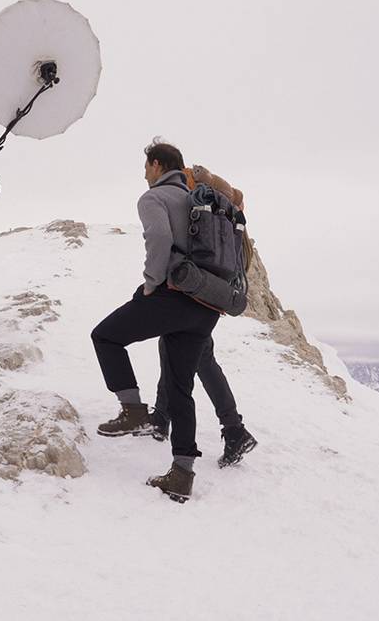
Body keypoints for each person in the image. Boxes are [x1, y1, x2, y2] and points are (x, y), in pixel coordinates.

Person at [91, 140, 221, 503]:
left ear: (157, 164)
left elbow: (160, 238)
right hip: (207, 305)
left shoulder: (154, 198)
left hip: (174, 295)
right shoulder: (198, 199)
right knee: (181, 389)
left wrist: (151, 284)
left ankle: (132, 411)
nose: (144, 173)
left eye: (146, 166)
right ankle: (182, 475)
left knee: (105, 336)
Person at [144, 164, 258, 467]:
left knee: (199, 357)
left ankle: (234, 429)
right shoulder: (228, 216)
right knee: (177, 347)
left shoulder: (204, 206)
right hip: (212, 291)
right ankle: (161, 417)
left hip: (195, 289)